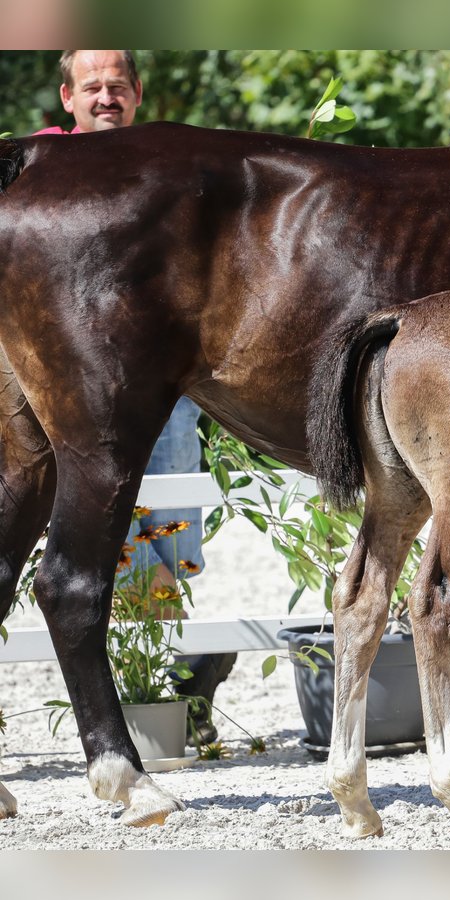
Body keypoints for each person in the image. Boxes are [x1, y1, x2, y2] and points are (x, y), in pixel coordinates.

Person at [35, 50, 236, 743]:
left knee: (168, 527)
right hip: (70, 382)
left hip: (164, 379)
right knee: (76, 534)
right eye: (92, 86)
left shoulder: (165, 161)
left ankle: (164, 684)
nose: (106, 96)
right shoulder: (41, 167)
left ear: (138, 91)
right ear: (68, 97)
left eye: (117, 85)